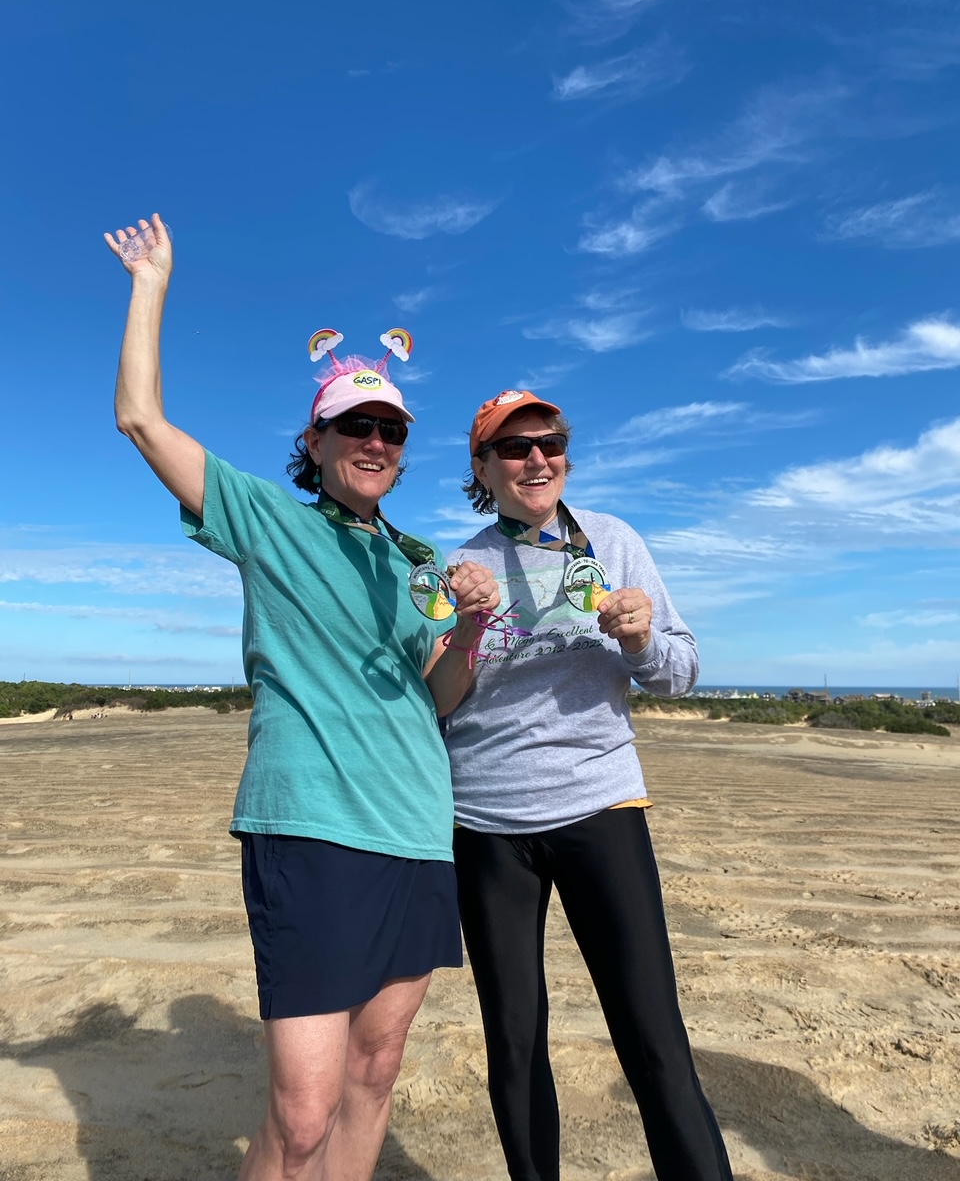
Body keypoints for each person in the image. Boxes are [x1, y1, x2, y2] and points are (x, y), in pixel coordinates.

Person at [105, 215, 499, 1181]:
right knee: (304, 1112)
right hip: (312, 828)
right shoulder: (269, 521)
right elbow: (142, 421)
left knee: (377, 1069)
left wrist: (470, 629)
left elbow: (439, 698)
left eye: (391, 430)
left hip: (417, 829)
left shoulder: (414, 560)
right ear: (316, 440)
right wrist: (150, 284)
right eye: (355, 425)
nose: (375, 441)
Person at [444, 388, 734, 1181]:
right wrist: (466, 623)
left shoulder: (613, 541)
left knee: (653, 1037)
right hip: (486, 821)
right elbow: (438, 701)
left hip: (600, 805)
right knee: (513, 1041)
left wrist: (641, 641)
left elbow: (680, 672)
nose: (537, 459)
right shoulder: (458, 566)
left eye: (551, 442)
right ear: (482, 468)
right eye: (514, 447)